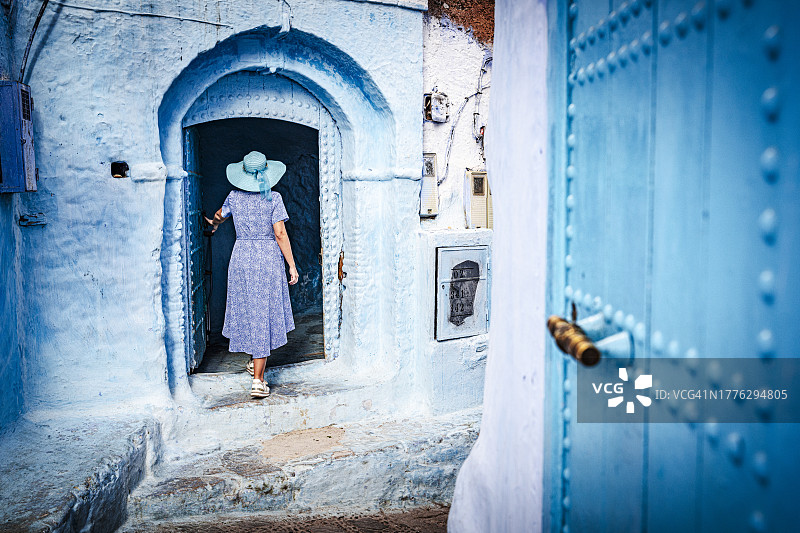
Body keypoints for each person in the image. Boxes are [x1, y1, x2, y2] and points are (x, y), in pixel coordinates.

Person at [205, 151, 299, 399]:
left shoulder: (234, 196)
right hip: (267, 257)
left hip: (242, 257)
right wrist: (292, 265)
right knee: (262, 312)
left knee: (251, 310)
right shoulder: (274, 198)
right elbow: (280, 233)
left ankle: (253, 362)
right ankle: (258, 380)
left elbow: (219, 215)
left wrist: (213, 225)